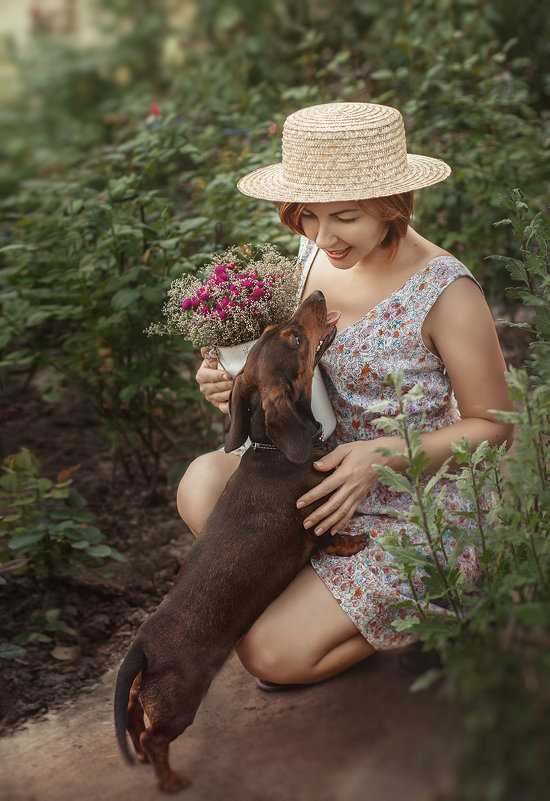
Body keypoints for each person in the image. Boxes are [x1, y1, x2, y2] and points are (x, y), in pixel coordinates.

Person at [176, 102, 513, 689]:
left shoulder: (446, 291)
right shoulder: (316, 254)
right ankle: (323, 579)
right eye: (308, 215)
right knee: (200, 483)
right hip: (316, 476)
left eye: (346, 217)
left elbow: (495, 424)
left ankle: (448, 602)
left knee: (269, 657)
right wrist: (233, 384)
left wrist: (380, 455)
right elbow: (296, 363)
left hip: (411, 495)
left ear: (394, 205)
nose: (322, 236)